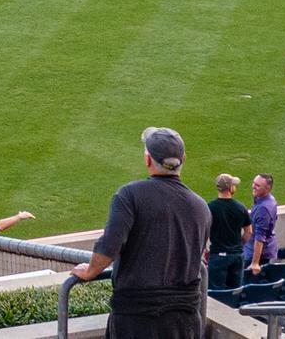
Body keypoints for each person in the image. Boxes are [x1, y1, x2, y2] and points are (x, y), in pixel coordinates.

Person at [73, 127, 210, 339]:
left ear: (148, 160)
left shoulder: (129, 195)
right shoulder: (201, 207)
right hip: (184, 322)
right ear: (183, 159)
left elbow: (110, 245)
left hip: (136, 318)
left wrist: (91, 271)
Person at [207, 174, 253, 289]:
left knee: (216, 295)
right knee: (234, 292)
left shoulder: (210, 207)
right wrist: (239, 245)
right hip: (236, 255)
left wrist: (205, 249)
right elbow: (249, 232)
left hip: (217, 256)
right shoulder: (240, 207)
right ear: (230, 188)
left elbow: (203, 230)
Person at [246, 175, 278, 279]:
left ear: (267, 189)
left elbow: (260, 237)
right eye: (253, 183)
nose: (253, 187)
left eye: (257, 185)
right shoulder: (262, 198)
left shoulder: (264, 208)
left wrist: (255, 263)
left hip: (258, 254)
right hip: (257, 248)